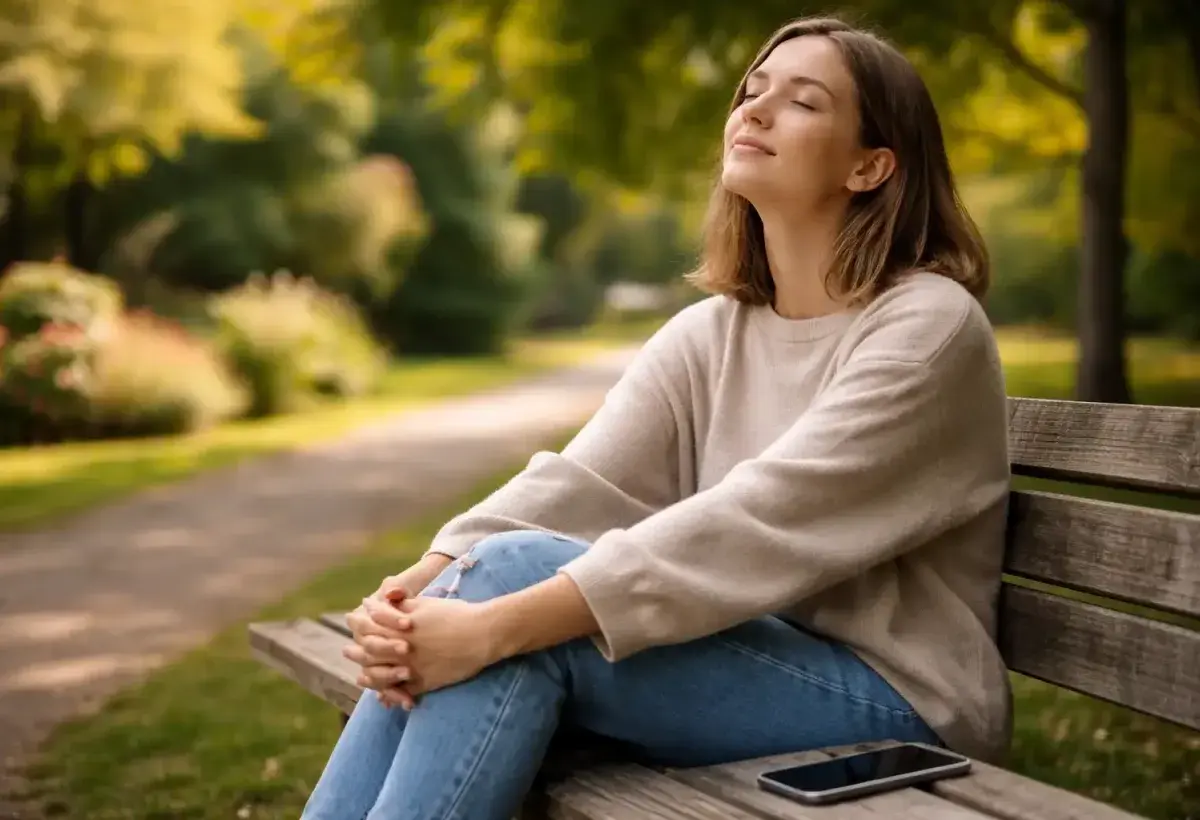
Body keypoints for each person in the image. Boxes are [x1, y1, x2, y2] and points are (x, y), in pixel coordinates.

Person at [301, 15, 1013, 820]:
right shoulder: (714, 331)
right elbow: (583, 481)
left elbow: (758, 519)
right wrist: (420, 586)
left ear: (871, 166)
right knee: (488, 596)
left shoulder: (926, 326)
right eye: (752, 92)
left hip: (898, 701)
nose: (755, 111)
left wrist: (494, 622)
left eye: (804, 102)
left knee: (509, 615)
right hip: (743, 658)